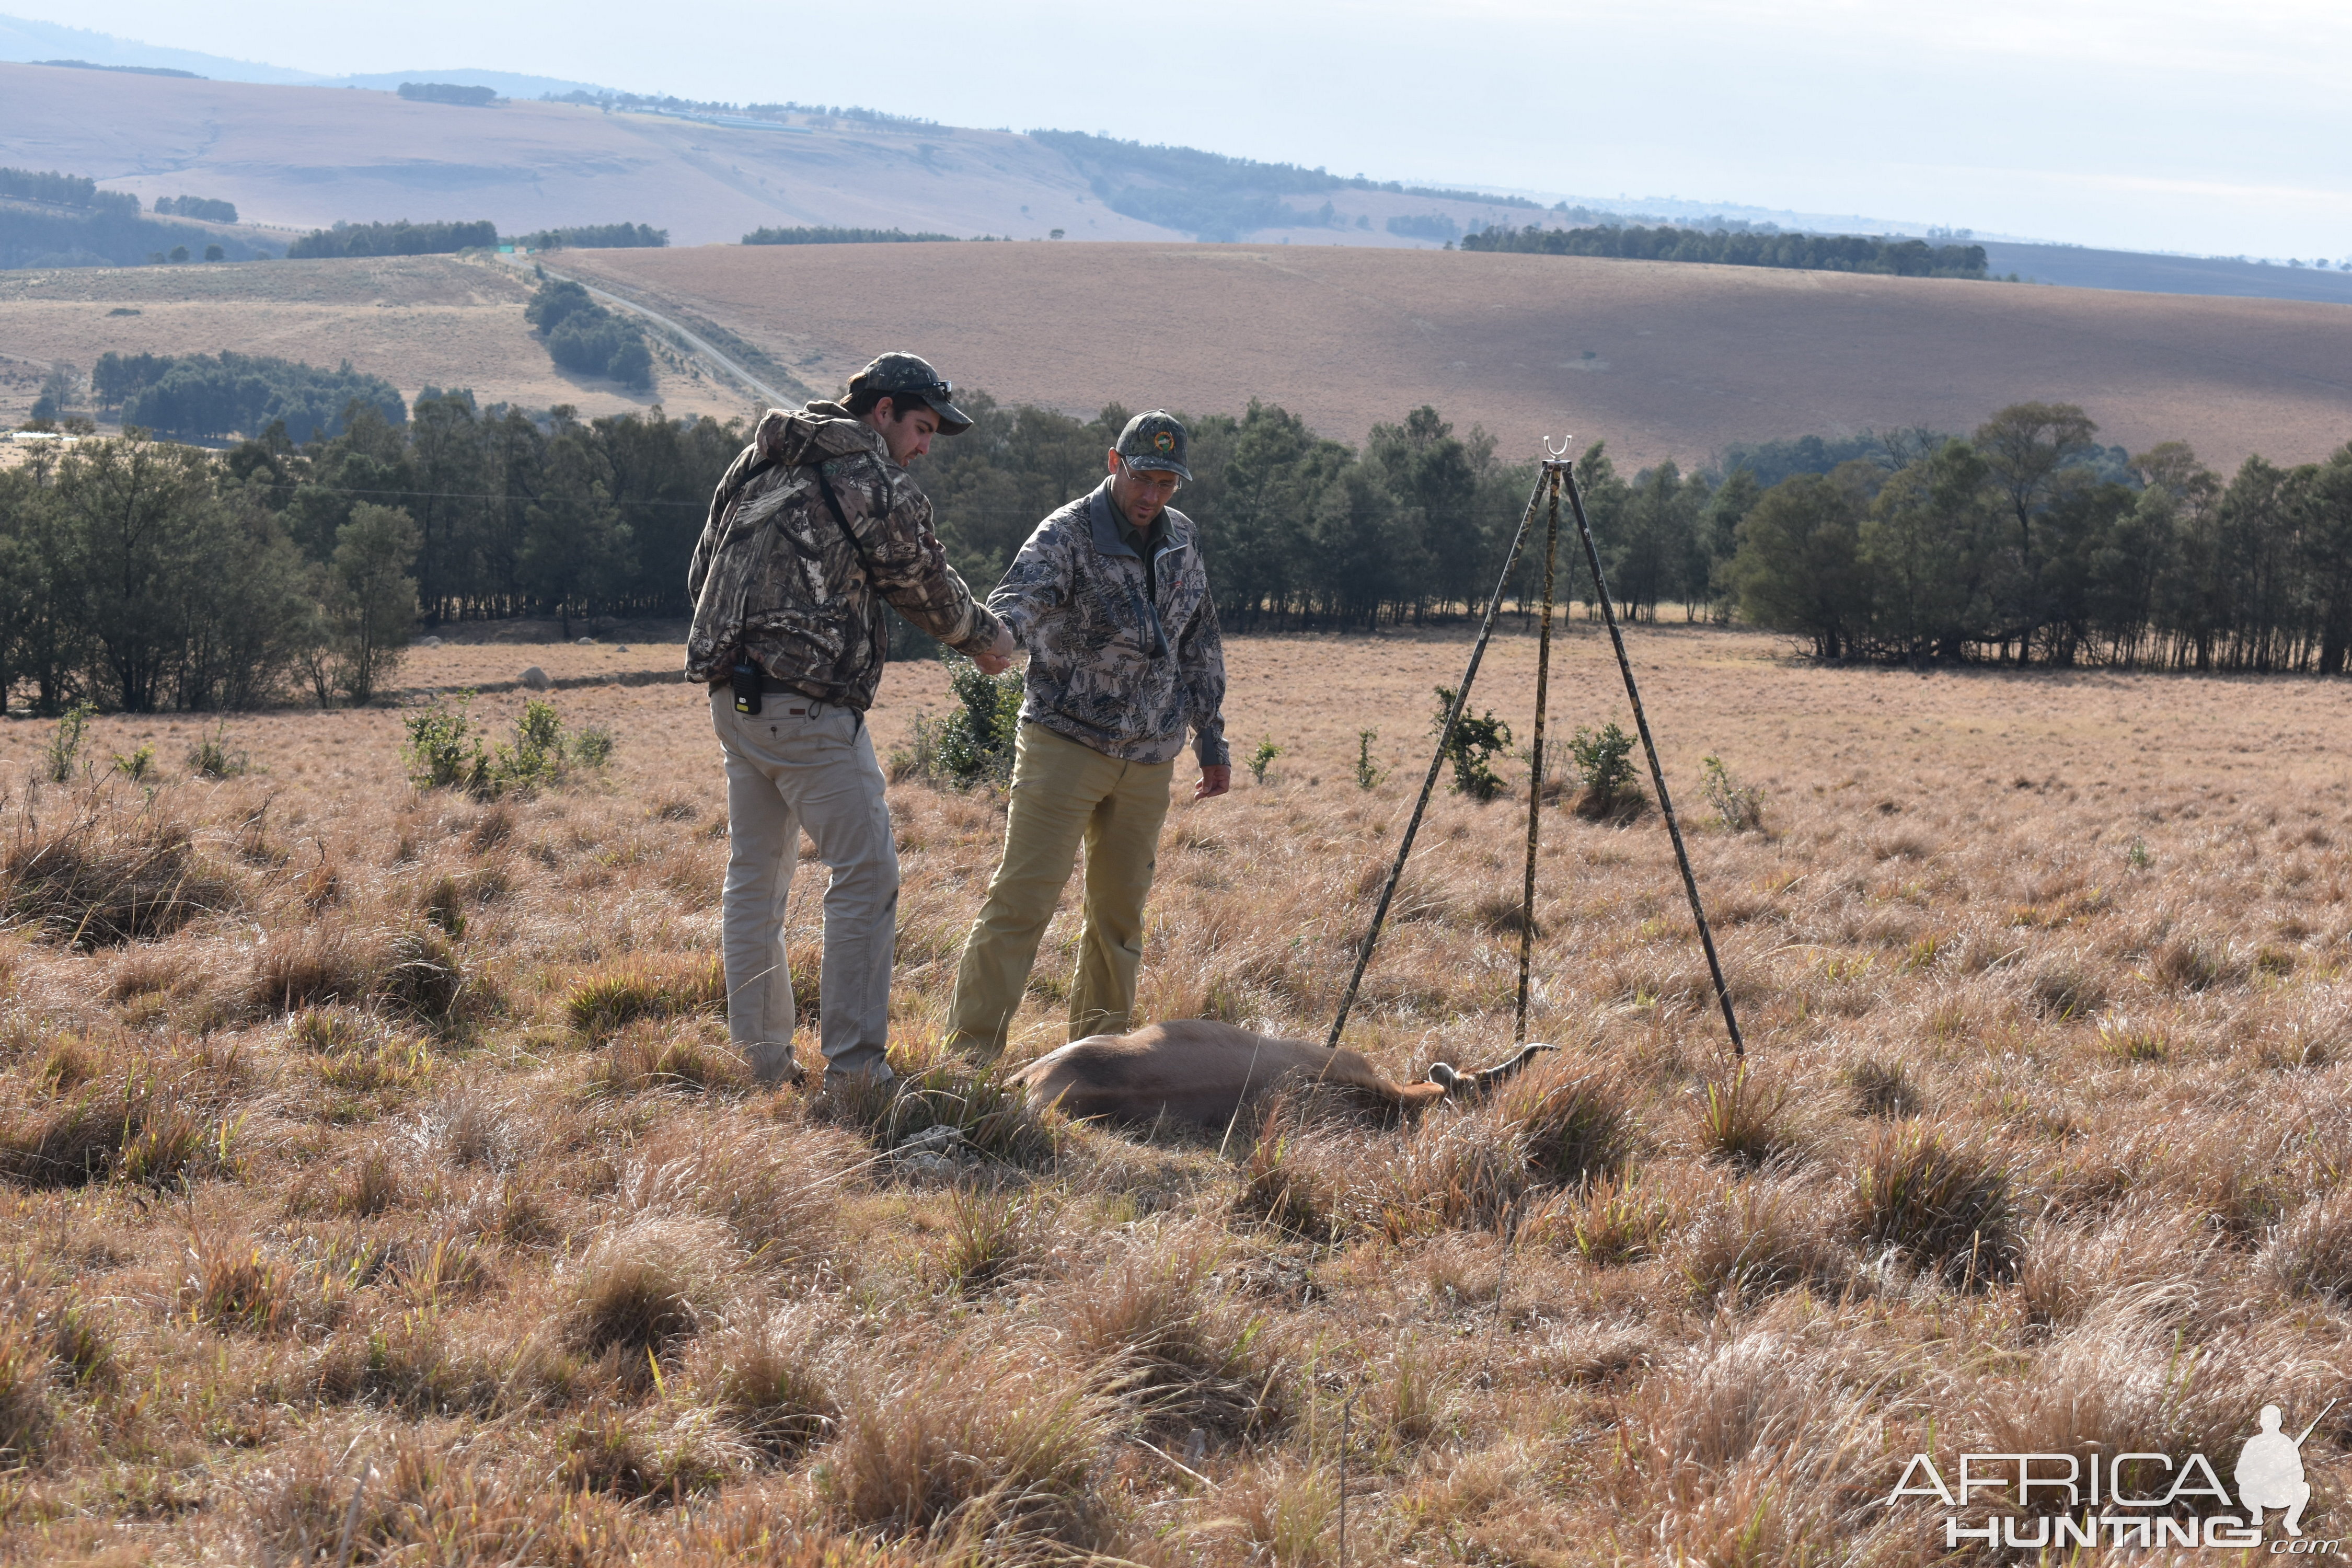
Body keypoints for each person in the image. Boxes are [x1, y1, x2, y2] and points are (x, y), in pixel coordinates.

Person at [687, 352, 1014, 1090]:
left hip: (732, 701)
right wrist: (987, 639)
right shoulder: (867, 474)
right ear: (882, 411)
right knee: (867, 875)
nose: (925, 446)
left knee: (755, 882)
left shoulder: (757, 459)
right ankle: (858, 1075)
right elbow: (920, 581)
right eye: (922, 427)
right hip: (809, 709)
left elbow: (702, 567)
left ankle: (761, 1065)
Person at [946, 410, 1230, 1060]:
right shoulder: (1067, 533)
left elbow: (1200, 643)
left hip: (1152, 758)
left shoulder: (1182, 539)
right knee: (1022, 904)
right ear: (1114, 464)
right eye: (1143, 479)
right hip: (1064, 746)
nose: (1152, 496)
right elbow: (1019, 598)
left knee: (1119, 923)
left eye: (1167, 483)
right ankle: (968, 1062)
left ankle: (1100, 1068)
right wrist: (998, 641)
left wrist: (1212, 742)